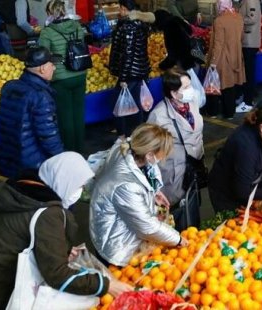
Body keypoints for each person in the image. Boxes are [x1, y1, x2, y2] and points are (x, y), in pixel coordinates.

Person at [0, 152, 133, 309]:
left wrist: (61, 248)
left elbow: (19, 234)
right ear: (64, 181)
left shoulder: (20, 192)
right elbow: (56, 274)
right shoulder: (48, 213)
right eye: (79, 185)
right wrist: (106, 285)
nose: (80, 191)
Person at [90, 124, 187, 267]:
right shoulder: (127, 185)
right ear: (149, 155)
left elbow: (146, 173)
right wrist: (177, 239)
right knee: (121, 283)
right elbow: (146, 226)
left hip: (119, 225)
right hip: (117, 243)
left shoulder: (127, 148)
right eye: (162, 154)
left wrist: (154, 192)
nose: (163, 157)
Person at [209, 106, 262, 212]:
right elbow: (242, 191)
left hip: (246, 182)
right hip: (226, 190)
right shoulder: (246, 146)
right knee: (232, 222)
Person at [0, 46, 64, 179]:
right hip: (32, 164)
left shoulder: (9, 86)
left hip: (9, 158)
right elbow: (48, 135)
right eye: (52, 64)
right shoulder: (40, 96)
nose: (54, 68)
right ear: (42, 68)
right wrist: (62, 159)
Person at [147, 68, 205, 209]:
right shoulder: (158, 117)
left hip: (193, 170)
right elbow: (148, 156)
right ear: (174, 93)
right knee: (176, 215)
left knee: (193, 209)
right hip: (173, 176)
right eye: (186, 87)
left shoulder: (192, 103)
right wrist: (155, 189)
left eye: (190, 85)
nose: (191, 90)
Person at [38, 0, 88, 153]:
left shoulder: (47, 32)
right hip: (80, 73)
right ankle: (80, 149)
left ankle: (69, 151)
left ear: (50, 13)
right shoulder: (77, 26)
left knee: (65, 116)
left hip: (61, 78)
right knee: (78, 114)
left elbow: (43, 55)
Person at [109, 0, 156, 138]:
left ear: (124, 9)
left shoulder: (128, 27)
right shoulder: (141, 24)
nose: (119, 11)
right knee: (137, 104)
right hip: (141, 71)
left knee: (120, 106)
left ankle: (123, 135)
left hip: (130, 73)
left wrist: (123, 77)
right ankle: (138, 134)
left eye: (120, 8)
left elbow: (127, 54)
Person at [205, 0, 246, 119]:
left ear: (219, 6)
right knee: (230, 86)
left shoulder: (219, 21)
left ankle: (212, 112)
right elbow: (241, 37)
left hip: (222, 58)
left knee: (213, 84)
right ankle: (229, 113)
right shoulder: (238, 17)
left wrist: (212, 63)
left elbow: (218, 44)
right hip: (236, 56)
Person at [237, 0, 262, 112]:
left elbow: (252, 18)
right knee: (248, 72)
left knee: (248, 73)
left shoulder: (250, 1)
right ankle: (248, 97)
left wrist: (237, 20)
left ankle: (248, 102)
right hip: (248, 41)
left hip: (249, 41)